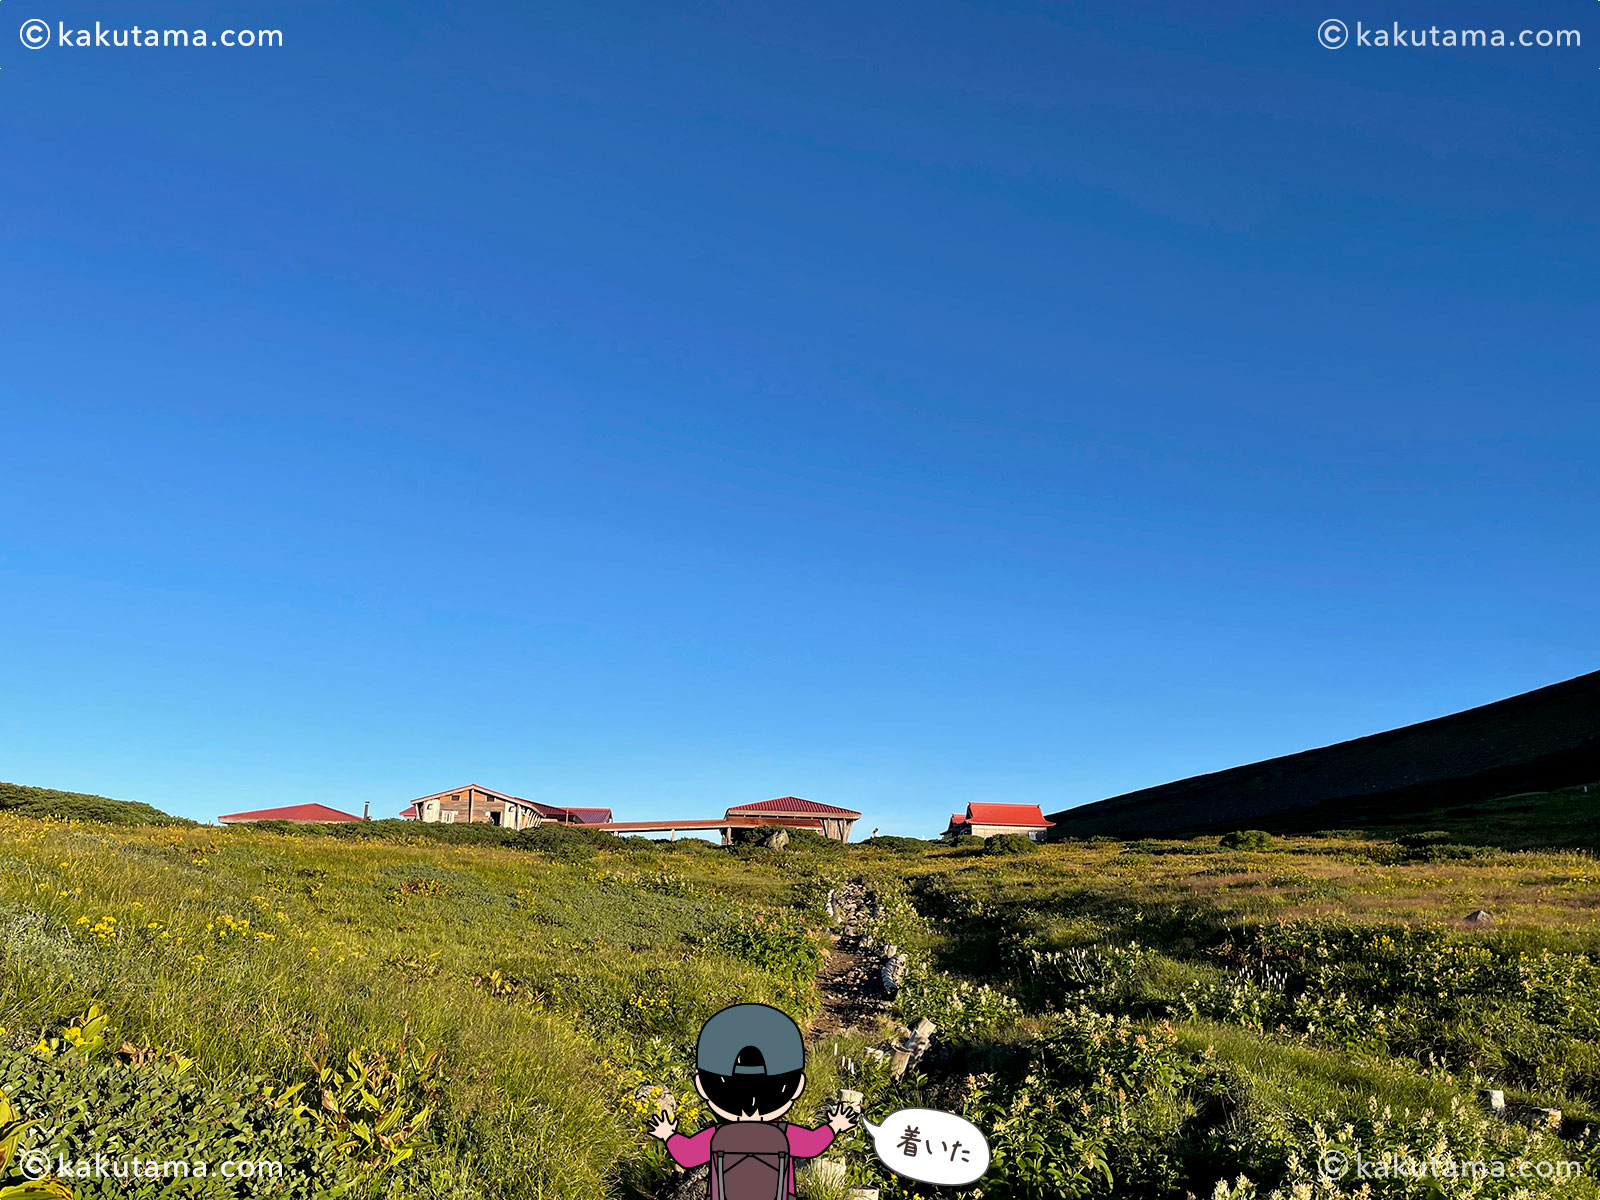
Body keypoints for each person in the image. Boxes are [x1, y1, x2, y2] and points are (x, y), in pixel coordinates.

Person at [647, 1003, 859, 1199]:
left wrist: (668, 1134)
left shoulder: (716, 1136)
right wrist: (835, 1125)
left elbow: (687, 1156)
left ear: (704, 1087)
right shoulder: (785, 1134)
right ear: (796, 1087)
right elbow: (813, 1145)